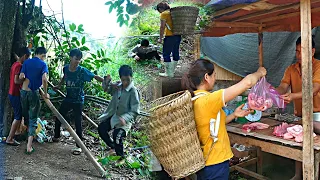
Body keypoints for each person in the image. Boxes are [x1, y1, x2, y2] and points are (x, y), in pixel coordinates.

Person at [181, 59, 266, 180]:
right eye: (214, 75)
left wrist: (234, 115)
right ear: (206, 77)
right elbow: (247, 83)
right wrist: (259, 73)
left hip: (206, 162)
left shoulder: (194, 99)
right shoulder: (208, 100)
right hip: (215, 162)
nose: (215, 79)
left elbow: (210, 124)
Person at [276, 36, 320, 180]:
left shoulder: (318, 66)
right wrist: (273, 94)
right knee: (299, 142)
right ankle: (298, 175)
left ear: (312, 51)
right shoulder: (291, 68)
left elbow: (314, 89)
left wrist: (293, 96)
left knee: (316, 147)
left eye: (303, 51)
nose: (299, 55)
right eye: (297, 51)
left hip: (318, 113)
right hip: (301, 114)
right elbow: (283, 86)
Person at [52, 48, 104, 155]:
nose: (78, 61)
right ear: (70, 57)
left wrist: (108, 82)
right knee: (59, 116)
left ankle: (79, 146)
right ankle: (56, 136)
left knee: (78, 122)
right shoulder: (66, 68)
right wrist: (59, 86)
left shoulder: (82, 71)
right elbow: (64, 77)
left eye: (79, 59)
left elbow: (94, 76)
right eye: (76, 59)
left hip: (78, 100)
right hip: (68, 98)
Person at [98, 65, 140, 165]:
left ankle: (121, 157)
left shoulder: (133, 91)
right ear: (120, 78)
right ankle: (112, 146)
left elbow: (135, 111)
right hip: (114, 116)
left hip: (125, 120)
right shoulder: (117, 87)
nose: (125, 83)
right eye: (123, 80)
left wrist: (125, 118)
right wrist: (107, 81)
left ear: (131, 77)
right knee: (101, 129)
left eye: (128, 80)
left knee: (117, 136)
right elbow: (106, 89)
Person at [19, 47, 50, 154]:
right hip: (33, 93)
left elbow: (21, 76)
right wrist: (45, 93)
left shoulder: (27, 62)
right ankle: (29, 146)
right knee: (33, 118)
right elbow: (45, 79)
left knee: (25, 114)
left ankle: (25, 134)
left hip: (23, 92)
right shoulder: (42, 64)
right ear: (43, 55)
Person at [6, 47, 31, 146]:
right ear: (25, 56)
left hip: (13, 93)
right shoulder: (19, 66)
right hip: (15, 94)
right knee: (18, 116)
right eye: (28, 58)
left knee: (18, 115)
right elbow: (16, 81)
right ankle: (10, 138)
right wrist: (25, 80)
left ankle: (15, 133)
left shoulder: (16, 64)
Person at [156, 2, 182, 78]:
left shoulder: (164, 14)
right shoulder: (173, 13)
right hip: (178, 35)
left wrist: (160, 38)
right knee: (175, 52)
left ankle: (169, 73)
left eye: (159, 10)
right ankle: (172, 71)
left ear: (161, 8)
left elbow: (162, 27)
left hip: (170, 36)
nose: (160, 12)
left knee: (166, 54)